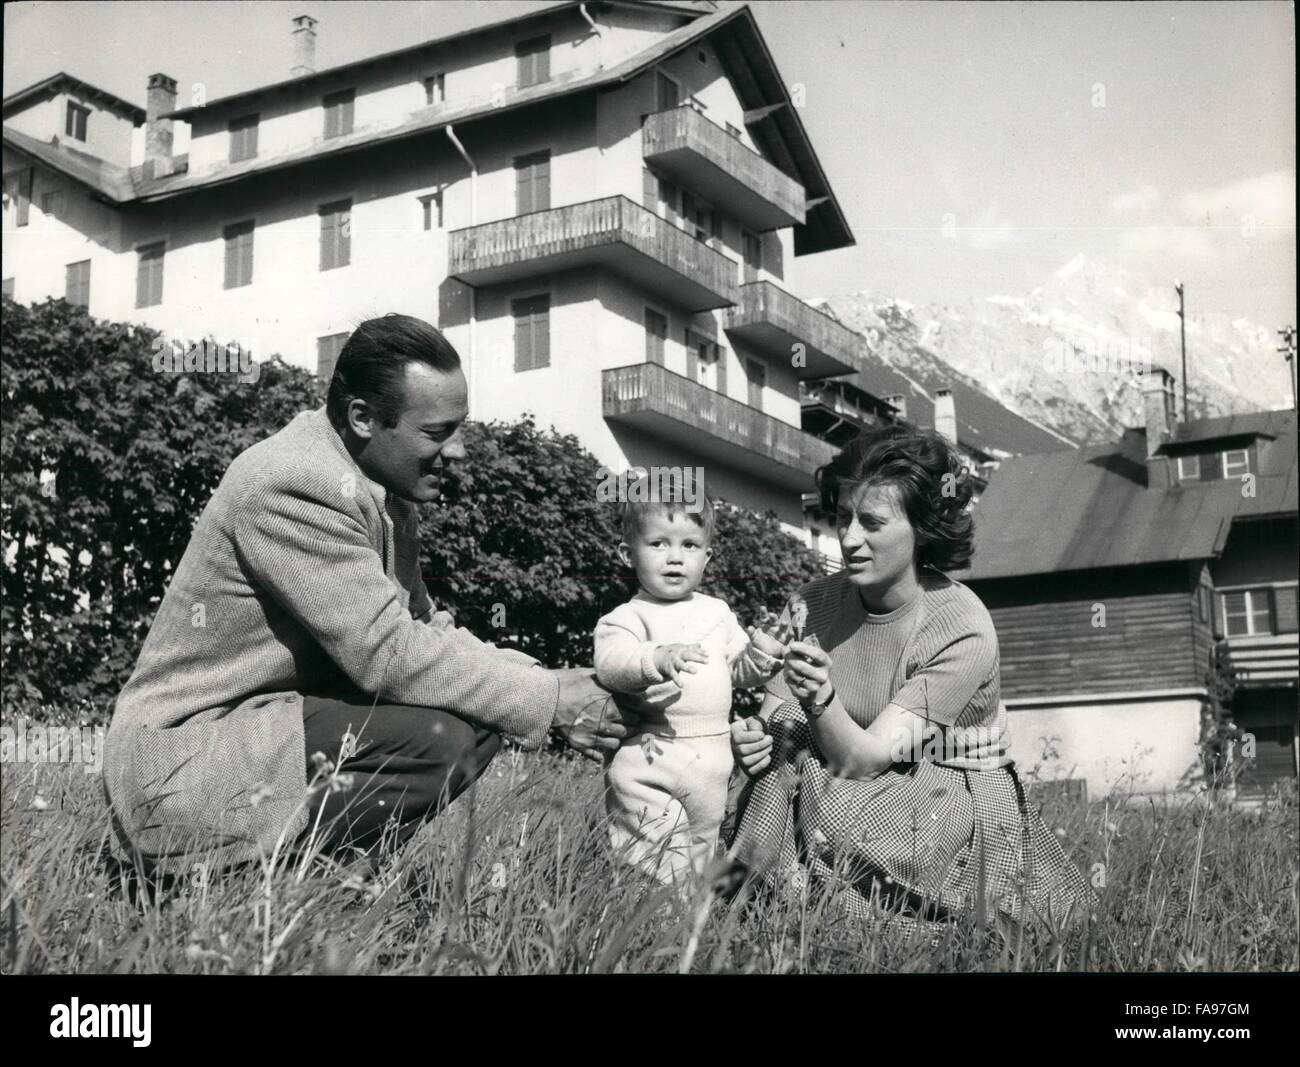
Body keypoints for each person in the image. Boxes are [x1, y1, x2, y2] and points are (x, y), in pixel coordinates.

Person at [102, 314, 633, 877]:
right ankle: (253, 884)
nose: (458, 451)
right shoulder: (294, 482)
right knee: (439, 738)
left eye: (460, 427)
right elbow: (386, 654)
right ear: (362, 418)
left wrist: (552, 681)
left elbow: (425, 629)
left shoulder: (377, 489)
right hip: (184, 758)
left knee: (481, 714)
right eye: (437, 432)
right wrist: (550, 699)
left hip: (265, 728)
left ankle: (325, 882)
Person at [727, 423, 1092, 928]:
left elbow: (865, 759)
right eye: (842, 518)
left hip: (942, 795)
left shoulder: (960, 624)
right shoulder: (810, 604)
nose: (849, 538)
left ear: (922, 529)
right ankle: (744, 899)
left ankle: (835, 910)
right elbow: (773, 724)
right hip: (833, 780)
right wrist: (751, 741)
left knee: (808, 743)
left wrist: (819, 701)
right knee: (784, 730)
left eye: (872, 523)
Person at [593, 483, 785, 888]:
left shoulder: (716, 612)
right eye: (658, 544)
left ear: (707, 556)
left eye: (690, 545)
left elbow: (739, 669)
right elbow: (611, 665)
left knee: (698, 856)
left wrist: (763, 652)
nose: (675, 557)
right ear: (627, 554)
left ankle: (685, 931)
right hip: (651, 759)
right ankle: (648, 926)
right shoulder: (627, 617)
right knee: (654, 862)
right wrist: (656, 658)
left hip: (711, 764)